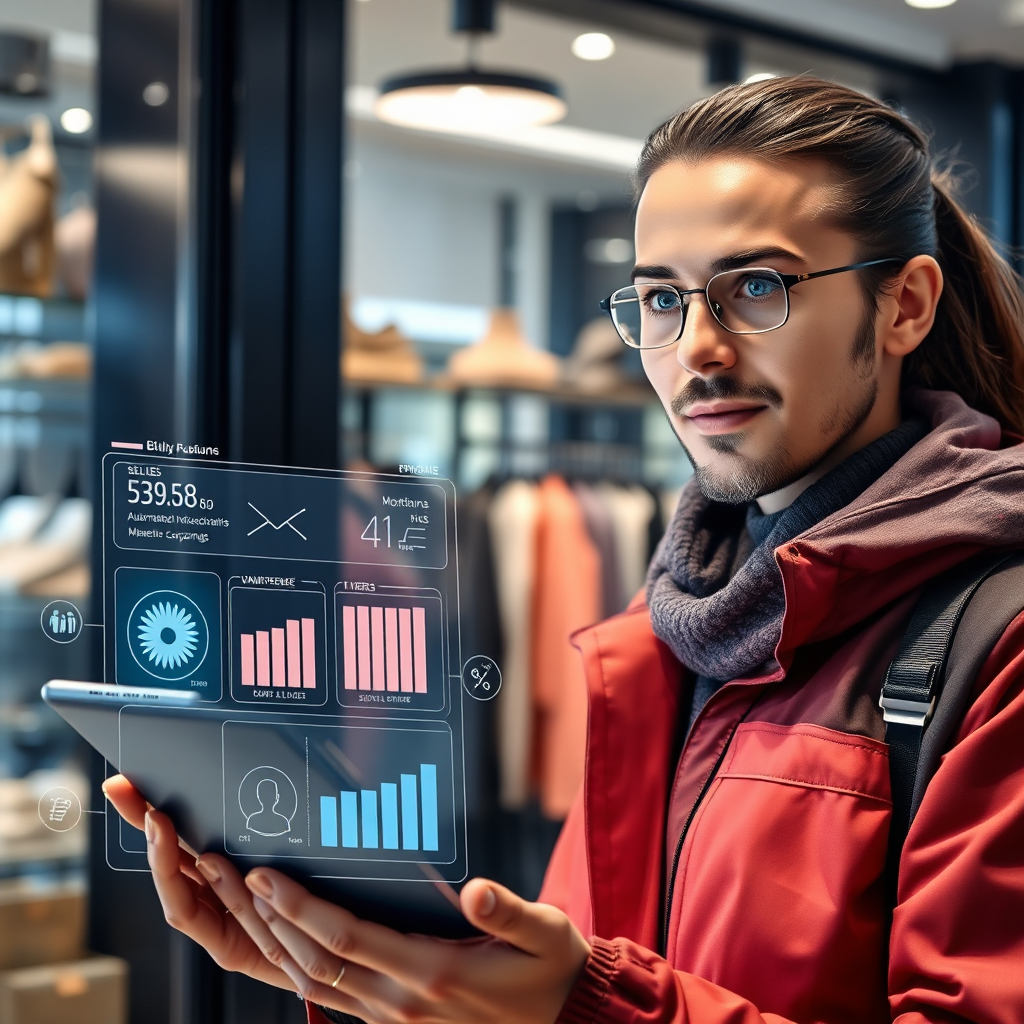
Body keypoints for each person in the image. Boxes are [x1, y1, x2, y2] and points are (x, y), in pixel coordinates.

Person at [104, 77, 1024, 1024]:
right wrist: (365, 975)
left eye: (756, 288)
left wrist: (588, 1008)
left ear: (905, 306)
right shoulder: (669, 622)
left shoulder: (997, 642)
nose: (695, 348)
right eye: (660, 298)